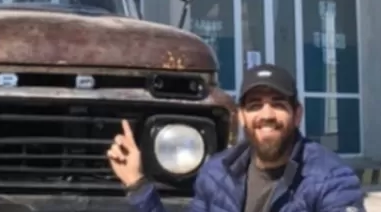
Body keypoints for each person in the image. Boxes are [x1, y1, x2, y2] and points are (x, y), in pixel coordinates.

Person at [107, 63, 365, 212]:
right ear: (241, 116)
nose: (266, 115)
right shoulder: (216, 174)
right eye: (255, 105)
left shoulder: (332, 180)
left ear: (297, 114)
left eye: (278, 104)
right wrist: (138, 185)